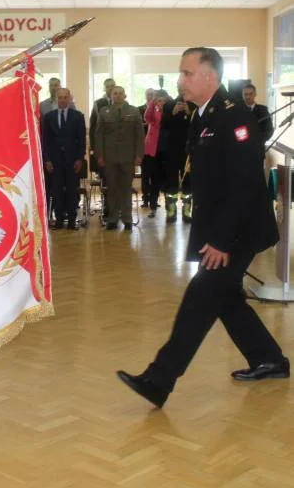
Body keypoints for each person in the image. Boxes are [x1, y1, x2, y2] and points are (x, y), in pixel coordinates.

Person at [117, 47, 289, 408]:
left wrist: (222, 240)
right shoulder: (203, 115)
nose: (180, 80)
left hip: (239, 230)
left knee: (200, 297)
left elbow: (244, 185)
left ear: (210, 77)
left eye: (187, 73)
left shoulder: (234, 117)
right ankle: (269, 359)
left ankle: (159, 379)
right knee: (224, 298)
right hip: (221, 226)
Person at [95, 86, 144, 230]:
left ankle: (127, 219)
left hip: (128, 157)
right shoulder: (104, 112)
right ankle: (113, 219)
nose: (117, 96)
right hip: (109, 157)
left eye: (120, 93)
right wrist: (100, 155)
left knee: (126, 188)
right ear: (110, 96)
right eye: (114, 93)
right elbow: (98, 136)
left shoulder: (134, 111)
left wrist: (139, 155)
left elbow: (139, 136)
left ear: (125, 95)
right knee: (112, 189)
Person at [42, 88, 86, 229]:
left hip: (72, 160)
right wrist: (47, 160)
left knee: (72, 190)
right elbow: (45, 141)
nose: (62, 100)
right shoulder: (49, 117)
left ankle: (72, 220)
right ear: (56, 99)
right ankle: (59, 219)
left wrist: (80, 159)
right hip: (54, 160)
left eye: (65, 97)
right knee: (57, 190)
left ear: (69, 98)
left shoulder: (78, 116)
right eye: (59, 97)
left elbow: (81, 140)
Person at [162, 88, 196, 223]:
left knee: (188, 182)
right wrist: (172, 113)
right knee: (171, 182)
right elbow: (163, 125)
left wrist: (189, 113)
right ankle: (171, 211)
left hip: (188, 152)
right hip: (171, 151)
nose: (182, 92)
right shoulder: (169, 106)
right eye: (180, 89)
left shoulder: (194, 105)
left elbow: (199, 126)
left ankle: (187, 211)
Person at [142, 89, 171, 218]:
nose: (161, 102)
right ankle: (153, 206)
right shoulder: (153, 111)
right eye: (159, 100)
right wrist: (153, 103)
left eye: (163, 100)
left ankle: (170, 207)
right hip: (153, 151)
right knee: (154, 180)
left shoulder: (169, 112)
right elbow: (146, 117)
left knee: (167, 180)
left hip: (166, 150)